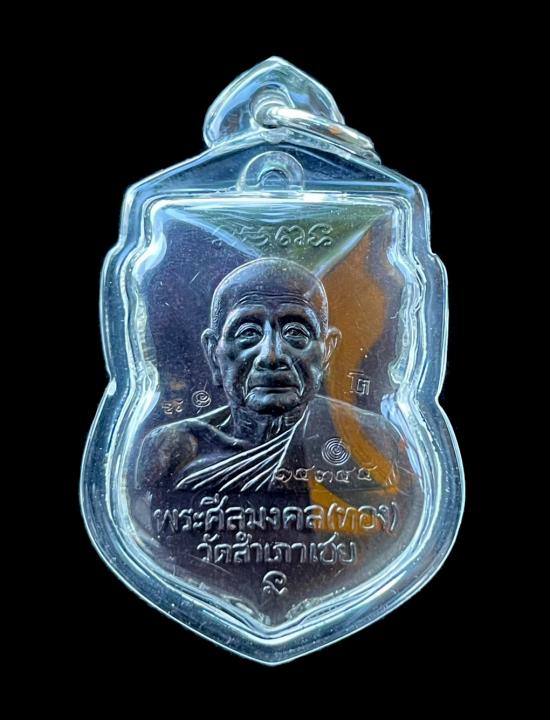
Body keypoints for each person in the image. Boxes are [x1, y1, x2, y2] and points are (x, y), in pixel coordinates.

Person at [137, 257, 407, 494]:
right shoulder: (175, 449)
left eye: (296, 333)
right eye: (248, 333)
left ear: (327, 351)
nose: (271, 356)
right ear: (213, 354)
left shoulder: (372, 438)